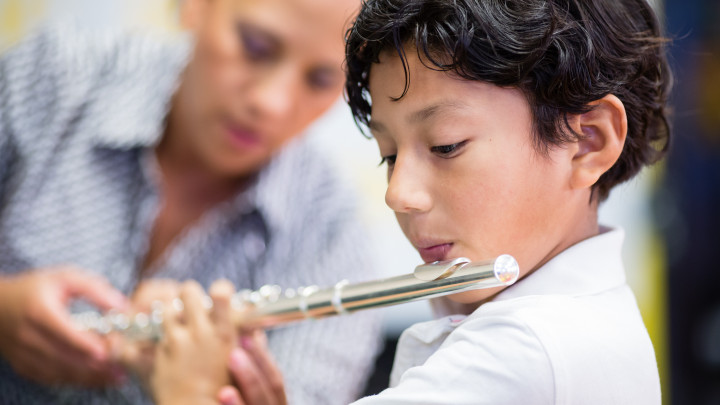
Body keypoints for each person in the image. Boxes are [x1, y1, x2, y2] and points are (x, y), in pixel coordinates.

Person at [146, 0, 672, 403]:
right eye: (390, 155)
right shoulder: (576, 324)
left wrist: (191, 391)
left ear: (588, 141)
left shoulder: (526, 351)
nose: (398, 193)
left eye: (446, 145)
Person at [0, 0, 383, 403]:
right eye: (255, 47)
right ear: (196, 5)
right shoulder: (50, 79)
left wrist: (204, 389)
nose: (271, 102)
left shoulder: (333, 239)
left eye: (321, 80)